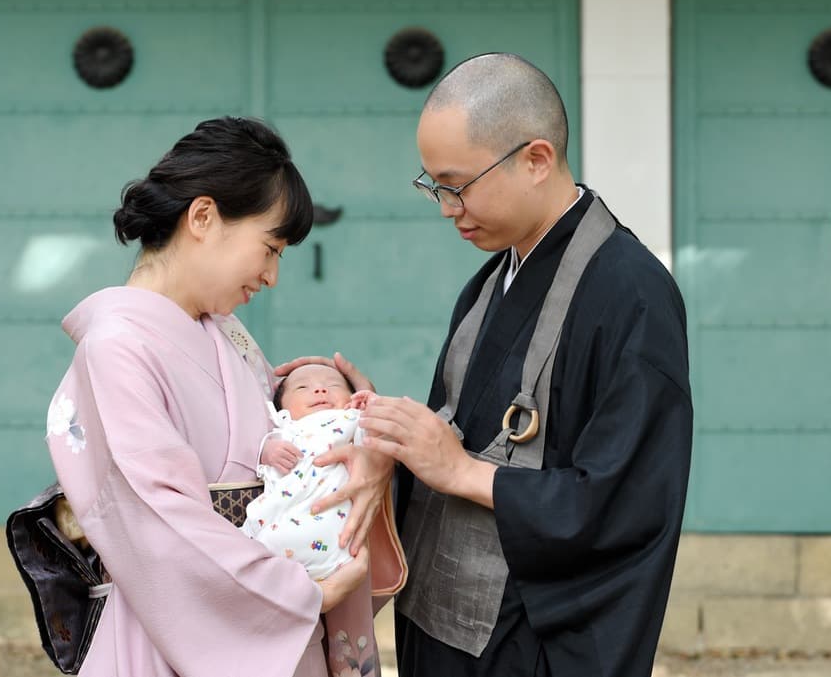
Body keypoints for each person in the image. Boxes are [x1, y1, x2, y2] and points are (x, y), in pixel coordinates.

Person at [284, 53, 692, 677]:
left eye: (458, 184)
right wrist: (379, 433)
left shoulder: (631, 292)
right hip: (444, 622)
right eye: (433, 187)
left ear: (536, 160)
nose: (447, 208)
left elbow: (626, 501)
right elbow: (460, 434)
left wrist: (461, 472)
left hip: (535, 642)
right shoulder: (489, 283)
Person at [44, 116, 386, 677]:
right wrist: (301, 595)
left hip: (267, 616)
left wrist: (350, 427)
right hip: (179, 630)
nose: (272, 276)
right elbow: (160, 525)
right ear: (203, 217)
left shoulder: (223, 331)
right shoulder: (117, 347)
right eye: (270, 248)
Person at [244, 362, 374, 581]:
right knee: (255, 540)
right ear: (281, 406)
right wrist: (269, 450)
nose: (320, 390)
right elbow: (263, 453)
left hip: (331, 522)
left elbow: (376, 440)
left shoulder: (352, 419)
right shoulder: (283, 427)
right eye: (303, 388)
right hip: (284, 513)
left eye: (333, 385)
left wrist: (369, 406)